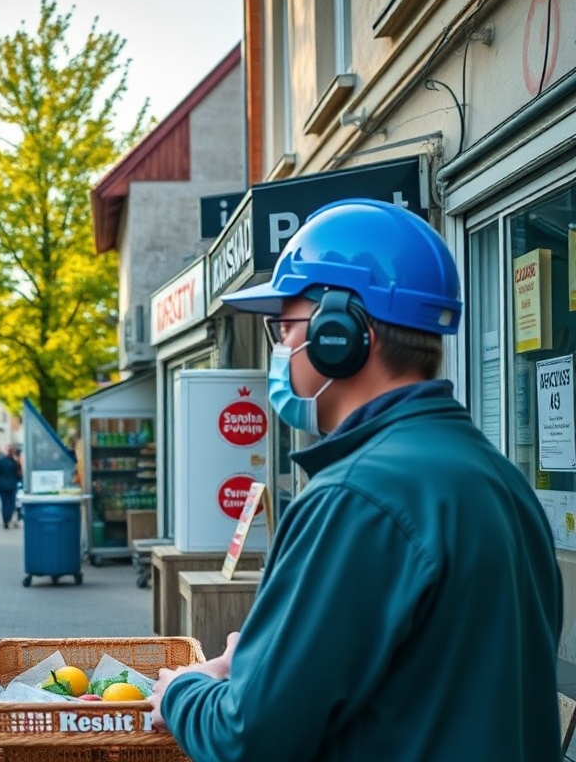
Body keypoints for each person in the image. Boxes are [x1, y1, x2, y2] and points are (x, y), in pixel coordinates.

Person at [148, 199, 563, 760]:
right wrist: (269, 660)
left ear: (338, 334)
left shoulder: (354, 498)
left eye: (284, 327)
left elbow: (247, 737)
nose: (280, 350)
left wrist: (184, 691)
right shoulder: (499, 479)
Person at [0, 445, 22, 529]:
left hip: (2, 485)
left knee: (5, 503)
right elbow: (19, 474)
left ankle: (6, 519)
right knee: (11, 503)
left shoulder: (1, 460)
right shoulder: (14, 461)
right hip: (11, 485)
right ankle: (7, 518)